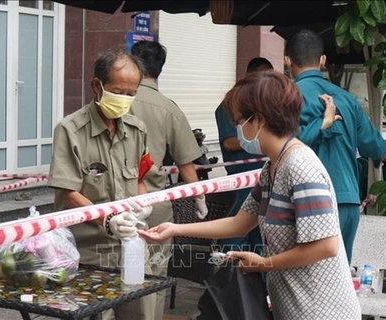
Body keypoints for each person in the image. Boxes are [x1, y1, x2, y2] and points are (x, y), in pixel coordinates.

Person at [138, 71, 361, 320]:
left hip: (320, 310)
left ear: (260, 119)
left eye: (239, 121)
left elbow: (325, 246)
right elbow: (240, 223)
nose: (237, 129)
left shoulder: (300, 166)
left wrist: (263, 263)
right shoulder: (273, 166)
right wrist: (175, 229)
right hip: (293, 306)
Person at [48, 52, 156, 320]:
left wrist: (142, 205)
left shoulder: (137, 128)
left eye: (131, 93)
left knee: (139, 313)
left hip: (132, 246)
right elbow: (69, 192)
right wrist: (108, 221)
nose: (125, 100)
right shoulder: (70, 130)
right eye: (118, 91)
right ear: (97, 86)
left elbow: (140, 178)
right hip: (88, 253)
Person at [285, 29, 386, 263]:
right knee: (338, 281)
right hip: (347, 201)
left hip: (307, 202)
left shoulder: (288, 98)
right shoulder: (347, 99)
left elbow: (282, 144)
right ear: (323, 60)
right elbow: (377, 148)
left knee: (306, 280)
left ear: (287, 61)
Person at [129, 40, 208, 320]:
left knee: (113, 271)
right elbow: (187, 163)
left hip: (112, 204)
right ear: (160, 69)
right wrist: (200, 199)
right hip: (154, 206)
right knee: (153, 272)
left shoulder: (111, 99)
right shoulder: (168, 108)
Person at [215, 57, 273, 254]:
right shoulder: (231, 104)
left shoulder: (262, 104)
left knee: (260, 231)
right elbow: (228, 142)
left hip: (263, 175)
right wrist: (255, 140)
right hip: (243, 178)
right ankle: (229, 274)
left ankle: (255, 277)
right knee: (239, 230)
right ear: (249, 76)